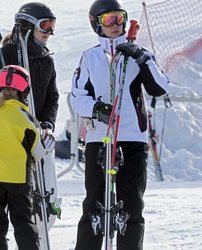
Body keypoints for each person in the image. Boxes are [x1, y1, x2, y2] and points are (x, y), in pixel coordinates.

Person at [70, 0, 169, 249]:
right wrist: (95, 109)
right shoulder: (90, 57)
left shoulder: (139, 54)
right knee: (94, 202)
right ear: (96, 24)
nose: (115, 25)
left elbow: (160, 87)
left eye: (118, 17)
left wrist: (143, 58)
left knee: (131, 204)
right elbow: (76, 96)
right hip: (100, 138)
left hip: (132, 137)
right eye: (108, 20)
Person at [0, 2, 60, 221]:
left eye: (52, 25)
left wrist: (47, 125)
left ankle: (40, 228)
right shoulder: (6, 55)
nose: (50, 32)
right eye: (45, 25)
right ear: (28, 26)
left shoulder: (46, 60)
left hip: (38, 137)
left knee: (42, 197)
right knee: (17, 200)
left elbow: (52, 98)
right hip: (12, 139)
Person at [0, 65, 52, 250]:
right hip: (18, 178)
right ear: (24, 91)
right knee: (22, 222)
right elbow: (38, 151)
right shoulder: (25, 118)